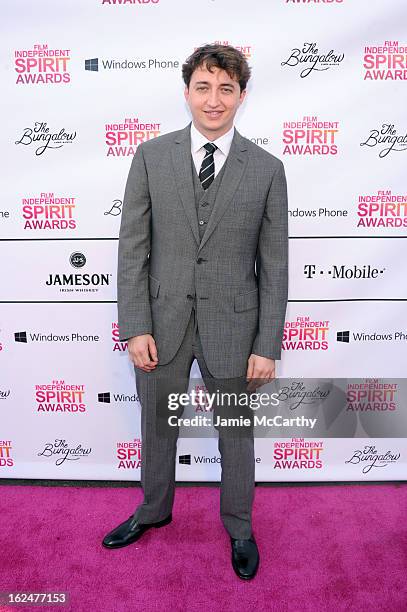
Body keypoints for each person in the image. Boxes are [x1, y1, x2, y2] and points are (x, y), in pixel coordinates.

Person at [102, 43, 289, 581]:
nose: (214, 99)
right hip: (161, 323)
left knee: (235, 430)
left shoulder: (268, 169)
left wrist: (266, 344)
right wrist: (135, 325)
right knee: (158, 426)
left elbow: (274, 263)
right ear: (187, 92)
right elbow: (132, 247)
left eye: (226, 88)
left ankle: (240, 527)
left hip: (236, 325)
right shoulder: (150, 157)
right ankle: (153, 511)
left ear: (241, 97)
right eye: (203, 87)